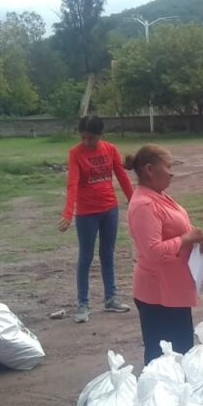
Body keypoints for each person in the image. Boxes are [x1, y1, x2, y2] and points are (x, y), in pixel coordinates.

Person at [124, 145, 203, 364]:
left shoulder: (159, 196)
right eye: (168, 167)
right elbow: (152, 251)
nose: (172, 172)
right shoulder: (144, 204)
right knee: (161, 358)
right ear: (150, 169)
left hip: (173, 290)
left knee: (181, 352)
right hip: (157, 294)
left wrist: (197, 239)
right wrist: (185, 240)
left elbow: (177, 228)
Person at [59, 115, 134, 323]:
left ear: (100, 135)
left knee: (107, 254)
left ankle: (111, 299)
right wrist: (68, 213)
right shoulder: (75, 153)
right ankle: (83, 304)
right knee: (85, 257)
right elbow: (72, 184)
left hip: (109, 209)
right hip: (86, 214)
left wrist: (134, 201)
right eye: (83, 138)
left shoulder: (110, 149)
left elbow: (122, 176)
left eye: (91, 138)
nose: (87, 142)